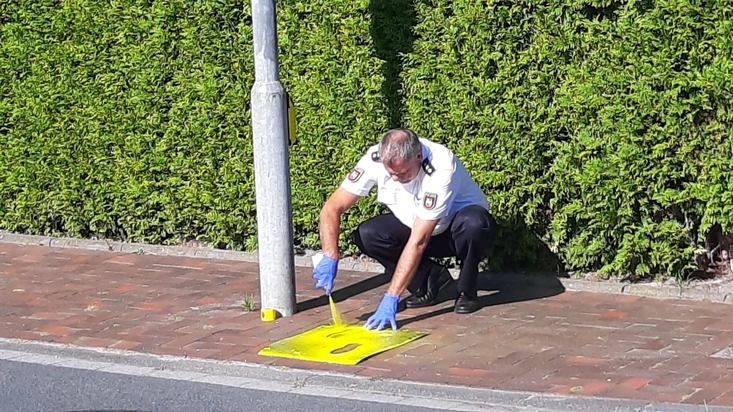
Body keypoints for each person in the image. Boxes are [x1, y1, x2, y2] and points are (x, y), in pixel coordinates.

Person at [312, 128, 496, 331]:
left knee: (475, 224)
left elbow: (418, 241)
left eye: (403, 173)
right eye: (391, 174)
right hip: (416, 225)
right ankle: (430, 281)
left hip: (452, 230)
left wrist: (391, 296)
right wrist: (330, 254)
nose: (397, 179)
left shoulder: (442, 166)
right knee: (367, 235)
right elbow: (332, 208)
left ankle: (466, 291)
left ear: (418, 156)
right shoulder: (375, 158)